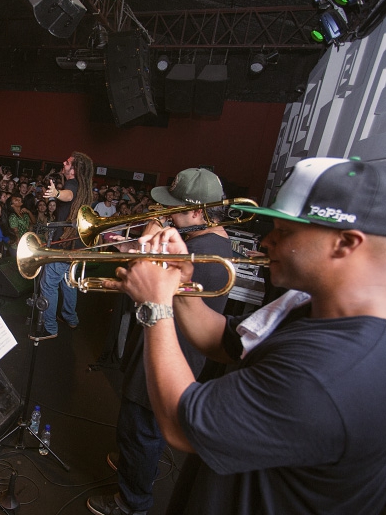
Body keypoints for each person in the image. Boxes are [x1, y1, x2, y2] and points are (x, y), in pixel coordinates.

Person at [100, 157, 386, 514]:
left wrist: (156, 304)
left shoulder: (331, 372)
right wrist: (181, 280)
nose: (266, 241)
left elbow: (180, 424)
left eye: (285, 231)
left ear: (344, 243)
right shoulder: (308, 304)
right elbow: (223, 341)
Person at [87, 168, 232, 515]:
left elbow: (146, 291)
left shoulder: (202, 256)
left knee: (139, 431)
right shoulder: (205, 241)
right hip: (164, 348)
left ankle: (131, 502)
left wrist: (144, 245)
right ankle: (134, 467)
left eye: (176, 210)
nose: (167, 215)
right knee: (139, 432)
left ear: (197, 211)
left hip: (167, 356)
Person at [33, 152, 93, 340]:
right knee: (68, 283)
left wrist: (57, 193)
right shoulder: (83, 187)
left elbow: (68, 195)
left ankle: (50, 328)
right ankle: (70, 318)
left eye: (67, 162)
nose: (63, 163)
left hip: (63, 245)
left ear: (74, 170)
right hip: (73, 245)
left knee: (48, 284)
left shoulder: (73, 185)